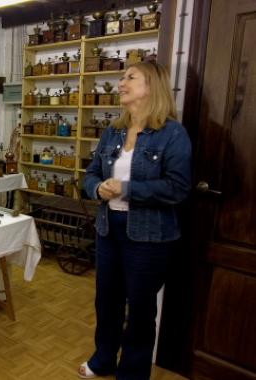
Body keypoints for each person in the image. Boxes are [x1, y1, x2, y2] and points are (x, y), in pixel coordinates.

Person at [80, 61, 192, 380]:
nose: (121, 83)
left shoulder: (172, 134)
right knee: (107, 303)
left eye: (130, 77)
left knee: (140, 311)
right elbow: (90, 175)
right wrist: (97, 187)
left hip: (149, 237)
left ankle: (132, 373)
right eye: (121, 77)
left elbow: (178, 188)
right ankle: (103, 360)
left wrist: (127, 189)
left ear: (151, 86)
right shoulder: (113, 131)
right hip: (108, 229)